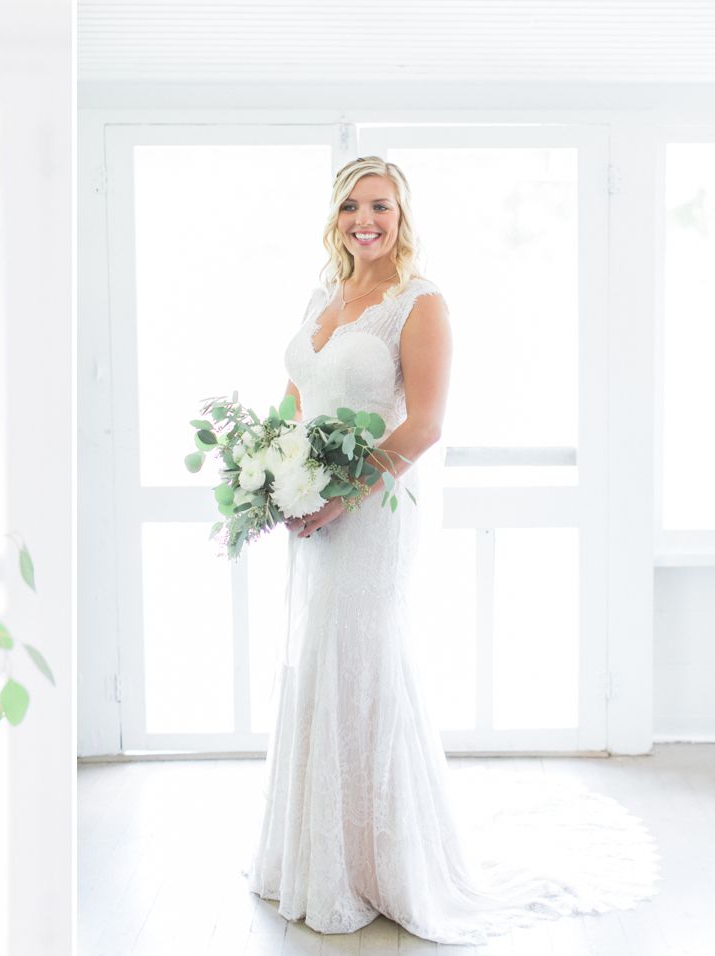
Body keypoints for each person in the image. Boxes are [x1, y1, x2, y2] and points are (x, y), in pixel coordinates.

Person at [247, 156, 657, 943]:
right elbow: (297, 400)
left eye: (381, 207)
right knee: (314, 660)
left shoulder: (420, 302)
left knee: (359, 660)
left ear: (402, 216)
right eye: (351, 207)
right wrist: (268, 475)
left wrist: (341, 496)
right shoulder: (322, 296)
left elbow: (425, 424)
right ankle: (317, 853)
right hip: (310, 511)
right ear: (334, 218)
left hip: (370, 513)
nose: (366, 220)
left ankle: (380, 864)